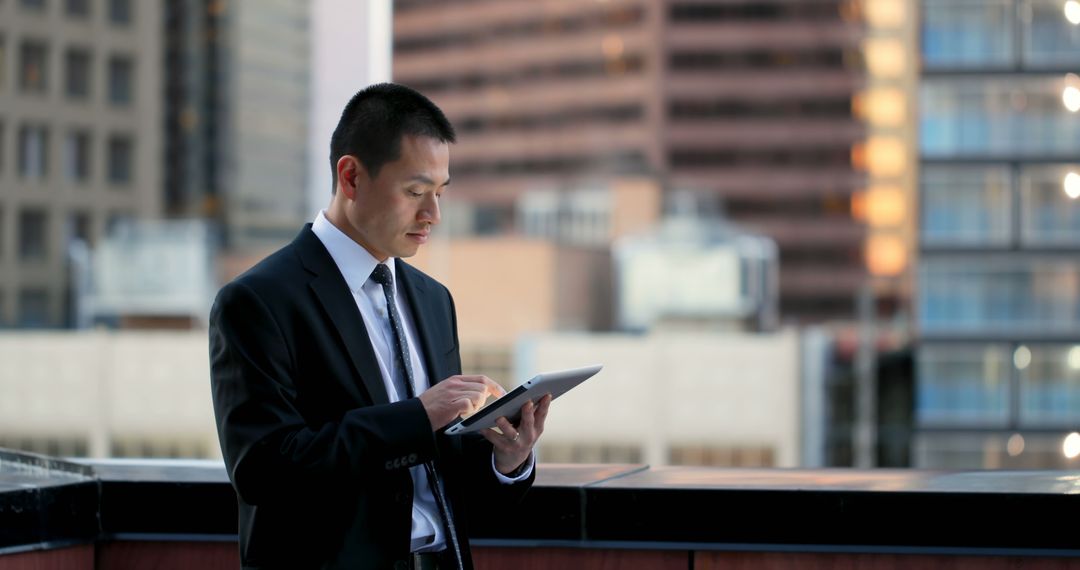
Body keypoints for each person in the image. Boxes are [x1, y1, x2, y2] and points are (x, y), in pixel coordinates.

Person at [210, 83, 551, 570]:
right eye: (415, 192)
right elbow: (264, 470)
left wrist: (508, 459)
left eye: (439, 192)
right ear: (350, 177)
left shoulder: (433, 299)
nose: (432, 214)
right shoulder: (256, 302)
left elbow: (439, 466)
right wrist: (418, 415)